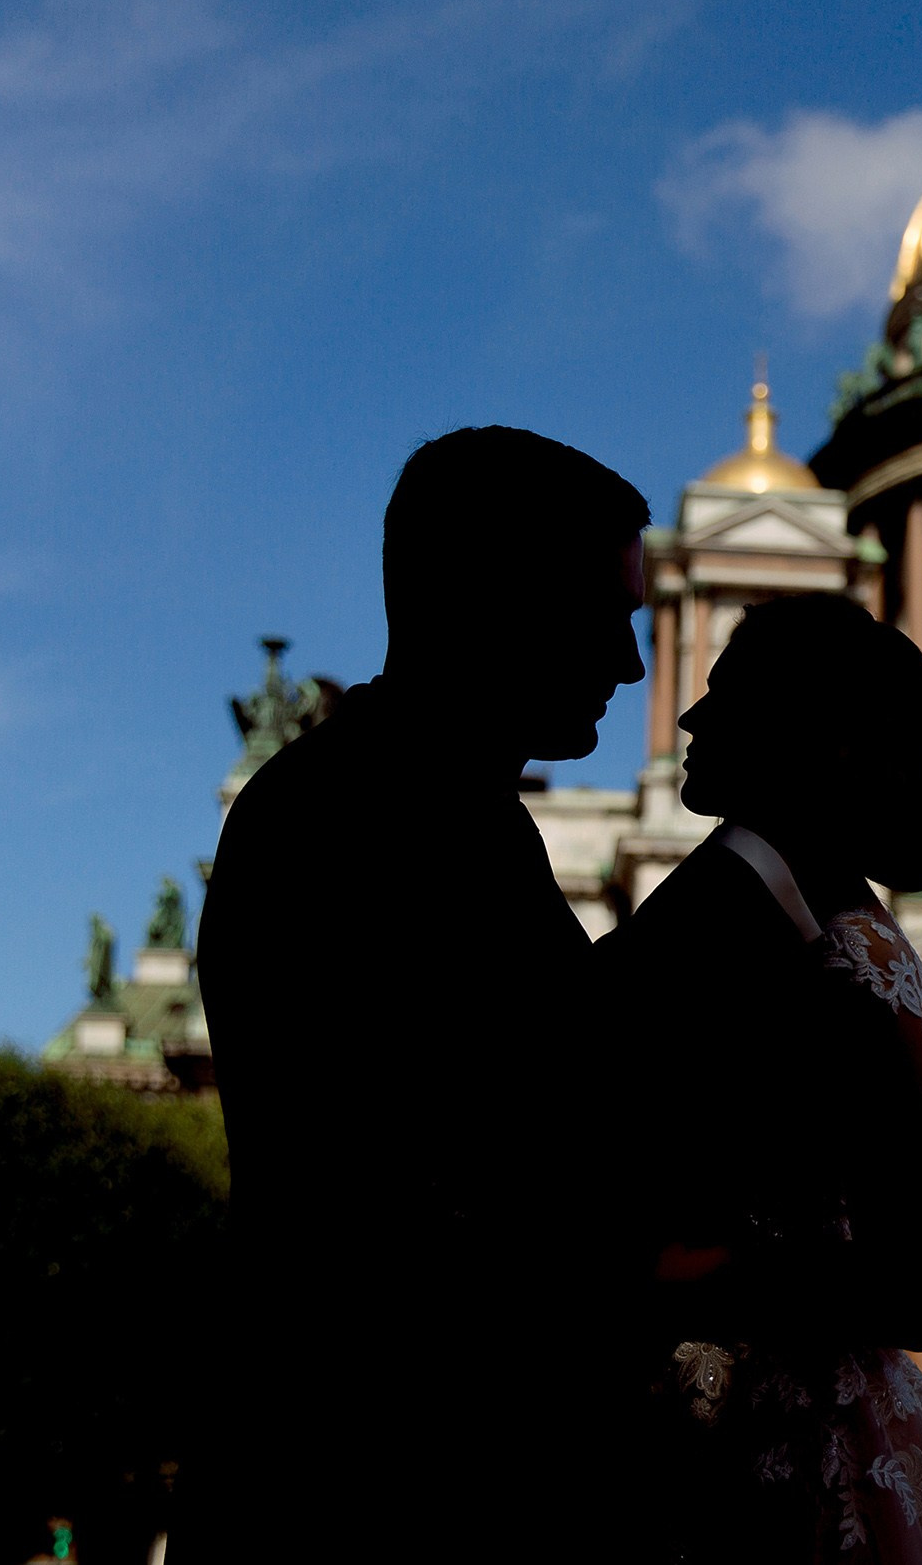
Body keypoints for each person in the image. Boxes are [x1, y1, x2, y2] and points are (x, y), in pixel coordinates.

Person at [192, 427, 650, 1561]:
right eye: (607, 613)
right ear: (500, 599)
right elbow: (498, 1169)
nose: (633, 664)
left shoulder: (421, 799)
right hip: (386, 1484)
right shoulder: (392, 813)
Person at [598, 594, 922, 1564]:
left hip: (776, 1458)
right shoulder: (723, 900)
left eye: (728, 699)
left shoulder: (848, 948)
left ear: (822, 743)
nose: (688, 720)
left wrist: (684, 1271)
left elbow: (918, 1282)